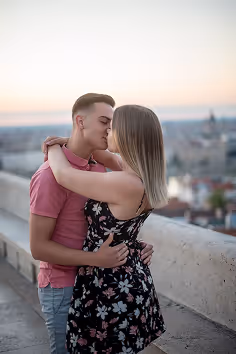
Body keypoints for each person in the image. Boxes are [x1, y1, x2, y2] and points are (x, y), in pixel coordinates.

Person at [30, 93, 154, 354]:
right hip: (64, 285)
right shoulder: (48, 177)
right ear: (80, 121)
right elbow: (38, 248)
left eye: (113, 124)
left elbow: (106, 223)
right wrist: (96, 259)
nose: (110, 129)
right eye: (104, 121)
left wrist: (131, 243)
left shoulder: (98, 168)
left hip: (95, 284)